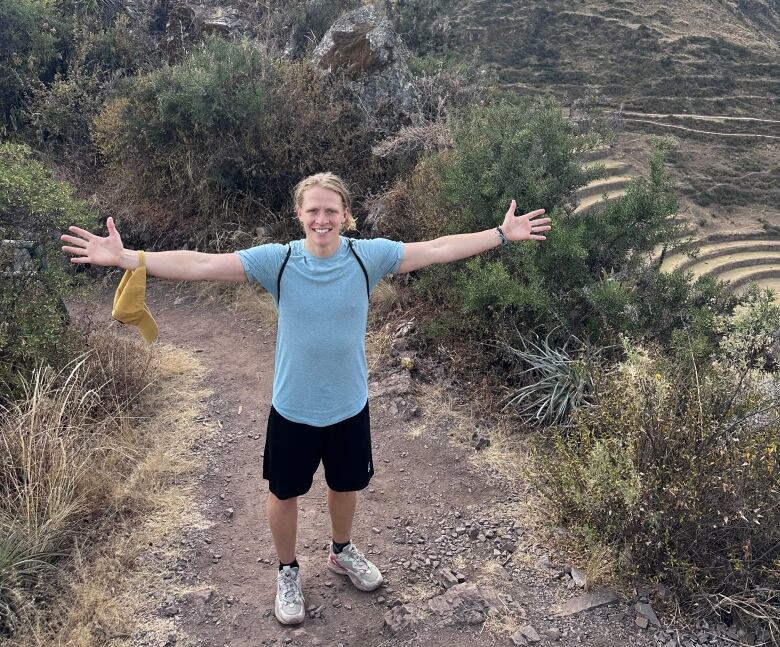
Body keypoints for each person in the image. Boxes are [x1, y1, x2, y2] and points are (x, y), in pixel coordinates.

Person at [61, 172, 551, 625]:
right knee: (284, 492)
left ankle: (341, 550)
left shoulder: (368, 256)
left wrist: (501, 234)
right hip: (292, 408)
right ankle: (288, 570)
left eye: (331, 211)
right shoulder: (279, 260)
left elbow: (439, 248)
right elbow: (203, 263)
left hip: (349, 406)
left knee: (346, 485)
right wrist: (129, 258)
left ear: (346, 214)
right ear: (299, 214)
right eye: (313, 211)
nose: (322, 220)